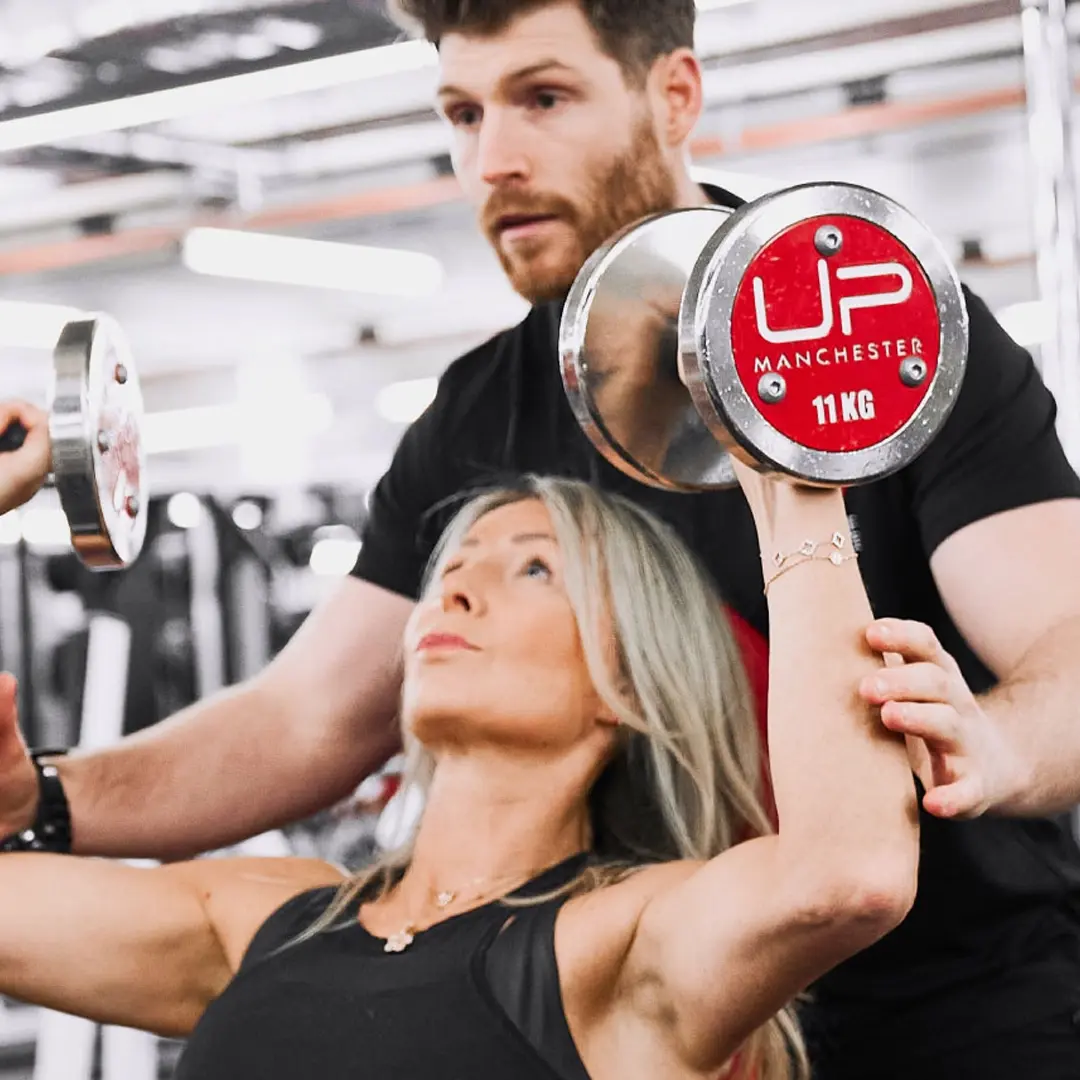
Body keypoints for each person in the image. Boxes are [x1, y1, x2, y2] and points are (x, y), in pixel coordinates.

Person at [0, 1, 1079, 1076]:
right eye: (463, 114)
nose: (494, 160)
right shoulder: (477, 419)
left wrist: (994, 744)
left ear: (675, 97)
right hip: (594, 1012)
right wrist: (48, 800)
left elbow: (1066, 647)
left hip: (945, 1013)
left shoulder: (851, 337)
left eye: (543, 98)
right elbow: (309, 718)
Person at [0, 472, 924, 1080]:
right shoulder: (268, 919)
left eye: (533, 569)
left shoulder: (622, 945)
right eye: (451, 568)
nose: (455, 589)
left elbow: (850, 872)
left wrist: (796, 480)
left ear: (631, 684)